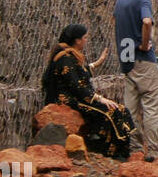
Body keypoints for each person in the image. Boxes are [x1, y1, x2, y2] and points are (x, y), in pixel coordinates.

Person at [41, 23, 135, 158]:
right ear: (77, 40)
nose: (86, 40)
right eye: (84, 38)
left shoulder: (70, 56)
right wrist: (100, 99)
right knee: (110, 111)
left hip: (77, 97)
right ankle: (111, 152)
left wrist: (98, 63)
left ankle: (116, 150)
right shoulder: (65, 58)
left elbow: (80, 73)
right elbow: (77, 86)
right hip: (68, 100)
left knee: (121, 109)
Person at [114, 0, 158, 162]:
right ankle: (153, 150)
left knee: (131, 106)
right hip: (142, 57)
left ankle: (134, 147)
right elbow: (146, 21)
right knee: (152, 105)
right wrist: (144, 44)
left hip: (126, 57)